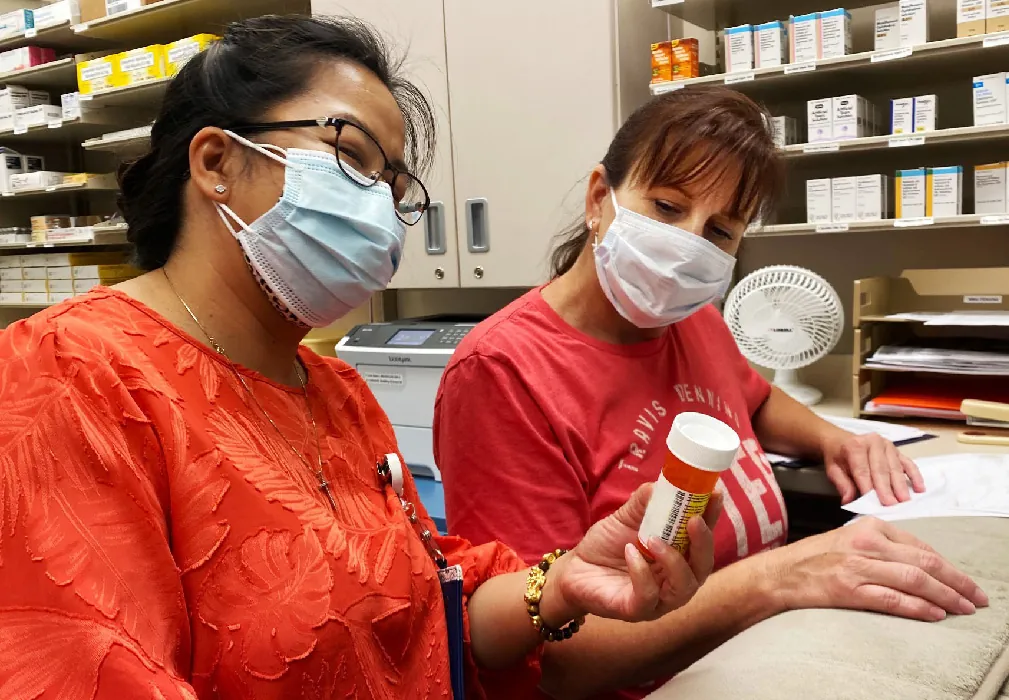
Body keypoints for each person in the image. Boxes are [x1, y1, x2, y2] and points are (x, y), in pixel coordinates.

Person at [0, 16, 724, 699]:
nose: (379, 207)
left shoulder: (336, 389)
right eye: (350, 157)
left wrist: (563, 585)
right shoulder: (72, 373)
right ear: (217, 160)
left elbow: (428, 615)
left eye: (392, 183)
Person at [434, 85, 989, 700]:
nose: (687, 245)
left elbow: (753, 399)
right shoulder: (503, 372)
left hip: (768, 652)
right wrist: (779, 578)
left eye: (721, 230)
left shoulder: (689, 318)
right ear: (600, 198)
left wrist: (836, 439)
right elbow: (549, 661)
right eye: (668, 207)